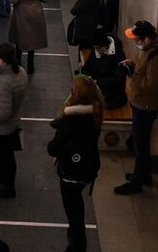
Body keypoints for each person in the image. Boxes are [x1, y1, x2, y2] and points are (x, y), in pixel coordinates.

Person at [114, 20, 158, 195]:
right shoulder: (148, 51)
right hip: (140, 103)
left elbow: (151, 86)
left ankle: (138, 182)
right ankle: (143, 174)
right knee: (140, 142)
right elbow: (143, 73)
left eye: (137, 39)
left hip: (146, 106)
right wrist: (133, 66)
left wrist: (132, 74)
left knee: (141, 144)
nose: (135, 42)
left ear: (147, 38)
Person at [47, 75, 103, 252]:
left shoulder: (71, 118)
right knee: (76, 203)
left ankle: (77, 245)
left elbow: (55, 146)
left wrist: (53, 148)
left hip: (71, 170)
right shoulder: (96, 113)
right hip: (89, 166)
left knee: (73, 210)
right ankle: (75, 235)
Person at [0, 42, 28, 198]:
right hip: (13, 122)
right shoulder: (20, 72)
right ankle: (0, 174)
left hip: (2, 127)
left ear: (3, 60)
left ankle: (8, 187)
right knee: (3, 153)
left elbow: (3, 112)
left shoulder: (5, 82)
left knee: (6, 155)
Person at [8, 0, 48, 75]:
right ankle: (31, 65)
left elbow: (14, 0)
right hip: (36, 13)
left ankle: (18, 64)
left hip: (21, 13)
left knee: (19, 39)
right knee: (32, 41)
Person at [80, 31, 128, 109]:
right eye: (95, 48)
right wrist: (88, 78)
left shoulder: (118, 56)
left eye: (98, 48)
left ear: (106, 46)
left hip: (113, 96)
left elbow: (119, 79)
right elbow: (86, 68)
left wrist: (98, 82)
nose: (97, 51)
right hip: (97, 91)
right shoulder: (96, 50)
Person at [69, 0, 103, 64]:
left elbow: (82, 5)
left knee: (85, 49)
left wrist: (73, 10)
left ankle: (84, 69)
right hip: (89, 22)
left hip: (86, 25)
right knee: (84, 48)